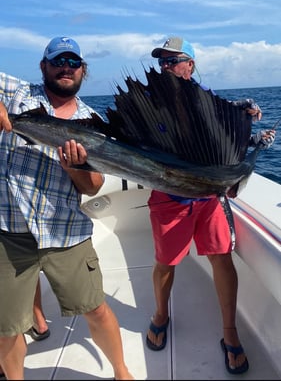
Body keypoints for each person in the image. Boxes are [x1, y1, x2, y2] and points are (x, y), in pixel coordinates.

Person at [0, 36, 133, 380]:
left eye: (73, 63)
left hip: (65, 230)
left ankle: (121, 373)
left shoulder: (93, 121)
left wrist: (75, 166)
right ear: (44, 66)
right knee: (6, 327)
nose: (66, 68)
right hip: (9, 232)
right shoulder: (16, 93)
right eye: (58, 61)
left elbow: (93, 187)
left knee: (96, 309)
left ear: (83, 71)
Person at [145, 37, 275, 375]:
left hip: (207, 197)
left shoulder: (210, 100)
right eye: (162, 62)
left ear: (190, 64)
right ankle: (161, 314)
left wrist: (244, 120)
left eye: (173, 61)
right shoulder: (152, 101)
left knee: (221, 257)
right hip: (170, 196)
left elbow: (224, 132)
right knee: (166, 262)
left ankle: (229, 332)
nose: (166, 68)